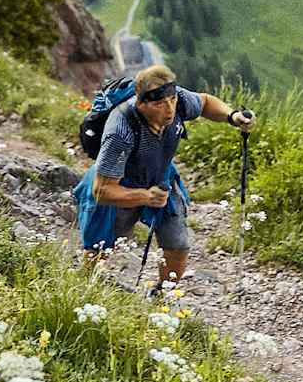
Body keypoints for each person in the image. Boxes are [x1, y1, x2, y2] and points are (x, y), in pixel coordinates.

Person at [76, 64, 255, 292]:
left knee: (178, 245)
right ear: (141, 104)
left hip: (161, 179)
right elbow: (101, 190)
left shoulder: (177, 99)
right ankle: (85, 290)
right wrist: (145, 197)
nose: (169, 109)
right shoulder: (120, 129)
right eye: (160, 104)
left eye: (171, 101)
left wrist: (232, 116)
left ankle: (162, 296)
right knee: (99, 246)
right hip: (120, 187)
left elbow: (205, 102)